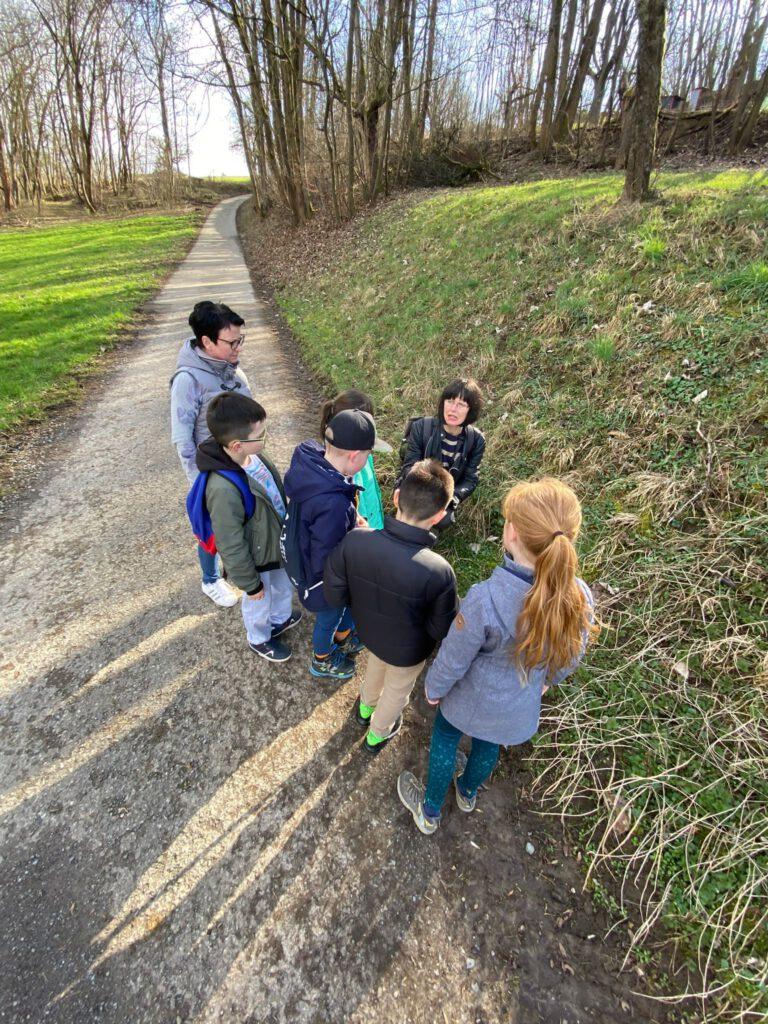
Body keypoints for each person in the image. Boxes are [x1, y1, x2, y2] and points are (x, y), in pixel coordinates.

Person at [397, 477, 598, 834]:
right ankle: (468, 792)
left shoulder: (485, 598)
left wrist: (434, 687)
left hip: (468, 701)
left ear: (512, 534)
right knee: (488, 746)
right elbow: (572, 654)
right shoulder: (579, 596)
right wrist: (547, 682)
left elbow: (455, 655)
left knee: (444, 738)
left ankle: (429, 810)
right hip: (515, 707)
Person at [324, 459, 458, 753]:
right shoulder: (439, 570)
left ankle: (364, 710)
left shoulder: (357, 540)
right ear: (438, 516)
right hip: (408, 649)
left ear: (396, 497)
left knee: (375, 666)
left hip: (370, 632)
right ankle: (377, 734)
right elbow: (440, 627)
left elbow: (335, 593)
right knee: (397, 690)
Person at [188, 393, 300, 662]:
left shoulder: (254, 456)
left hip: (275, 544)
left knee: (283, 585)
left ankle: (280, 619)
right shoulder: (222, 489)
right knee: (259, 598)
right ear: (237, 445)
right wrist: (249, 583)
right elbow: (230, 541)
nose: (265, 438)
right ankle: (259, 638)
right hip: (256, 558)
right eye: (261, 434)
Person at [283, 409, 388, 681]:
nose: (368, 461)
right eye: (368, 455)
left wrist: (353, 518)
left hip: (313, 562)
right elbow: (325, 555)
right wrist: (357, 542)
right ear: (354, 456)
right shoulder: (332, 503)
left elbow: (324, 526)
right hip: (324, 581)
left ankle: (343, 637)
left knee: (342, 613)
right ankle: (323, 659)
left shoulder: (318, 468)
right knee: (328, 619)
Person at [171, 301, 251, 608]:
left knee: (239, 521)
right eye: (232, 342)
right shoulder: (187, 381)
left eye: (240, 340)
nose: (238, 347)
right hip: (210, 473)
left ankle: (238, 567)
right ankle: (210, 579)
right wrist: (198, 484)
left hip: (241, 464)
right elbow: (182, 439)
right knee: (212, 528)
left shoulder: (233, 370)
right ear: (206, 341)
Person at [398, 378, 485, 530]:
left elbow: (471, 479)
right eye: (450, 401)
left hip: (444, 494)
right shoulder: (421, 427)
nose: (453, 409)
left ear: (471, 410)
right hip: (415, 485)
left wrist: (453, 496)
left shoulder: (476, 440)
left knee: (444, 521)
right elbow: (408, 465)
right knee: (410, 511)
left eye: (461, 405)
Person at [319, 390, 391, 530]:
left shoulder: (363, 453)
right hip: (365, 533)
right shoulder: (347, 466)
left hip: (373, 525)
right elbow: (356, 508)